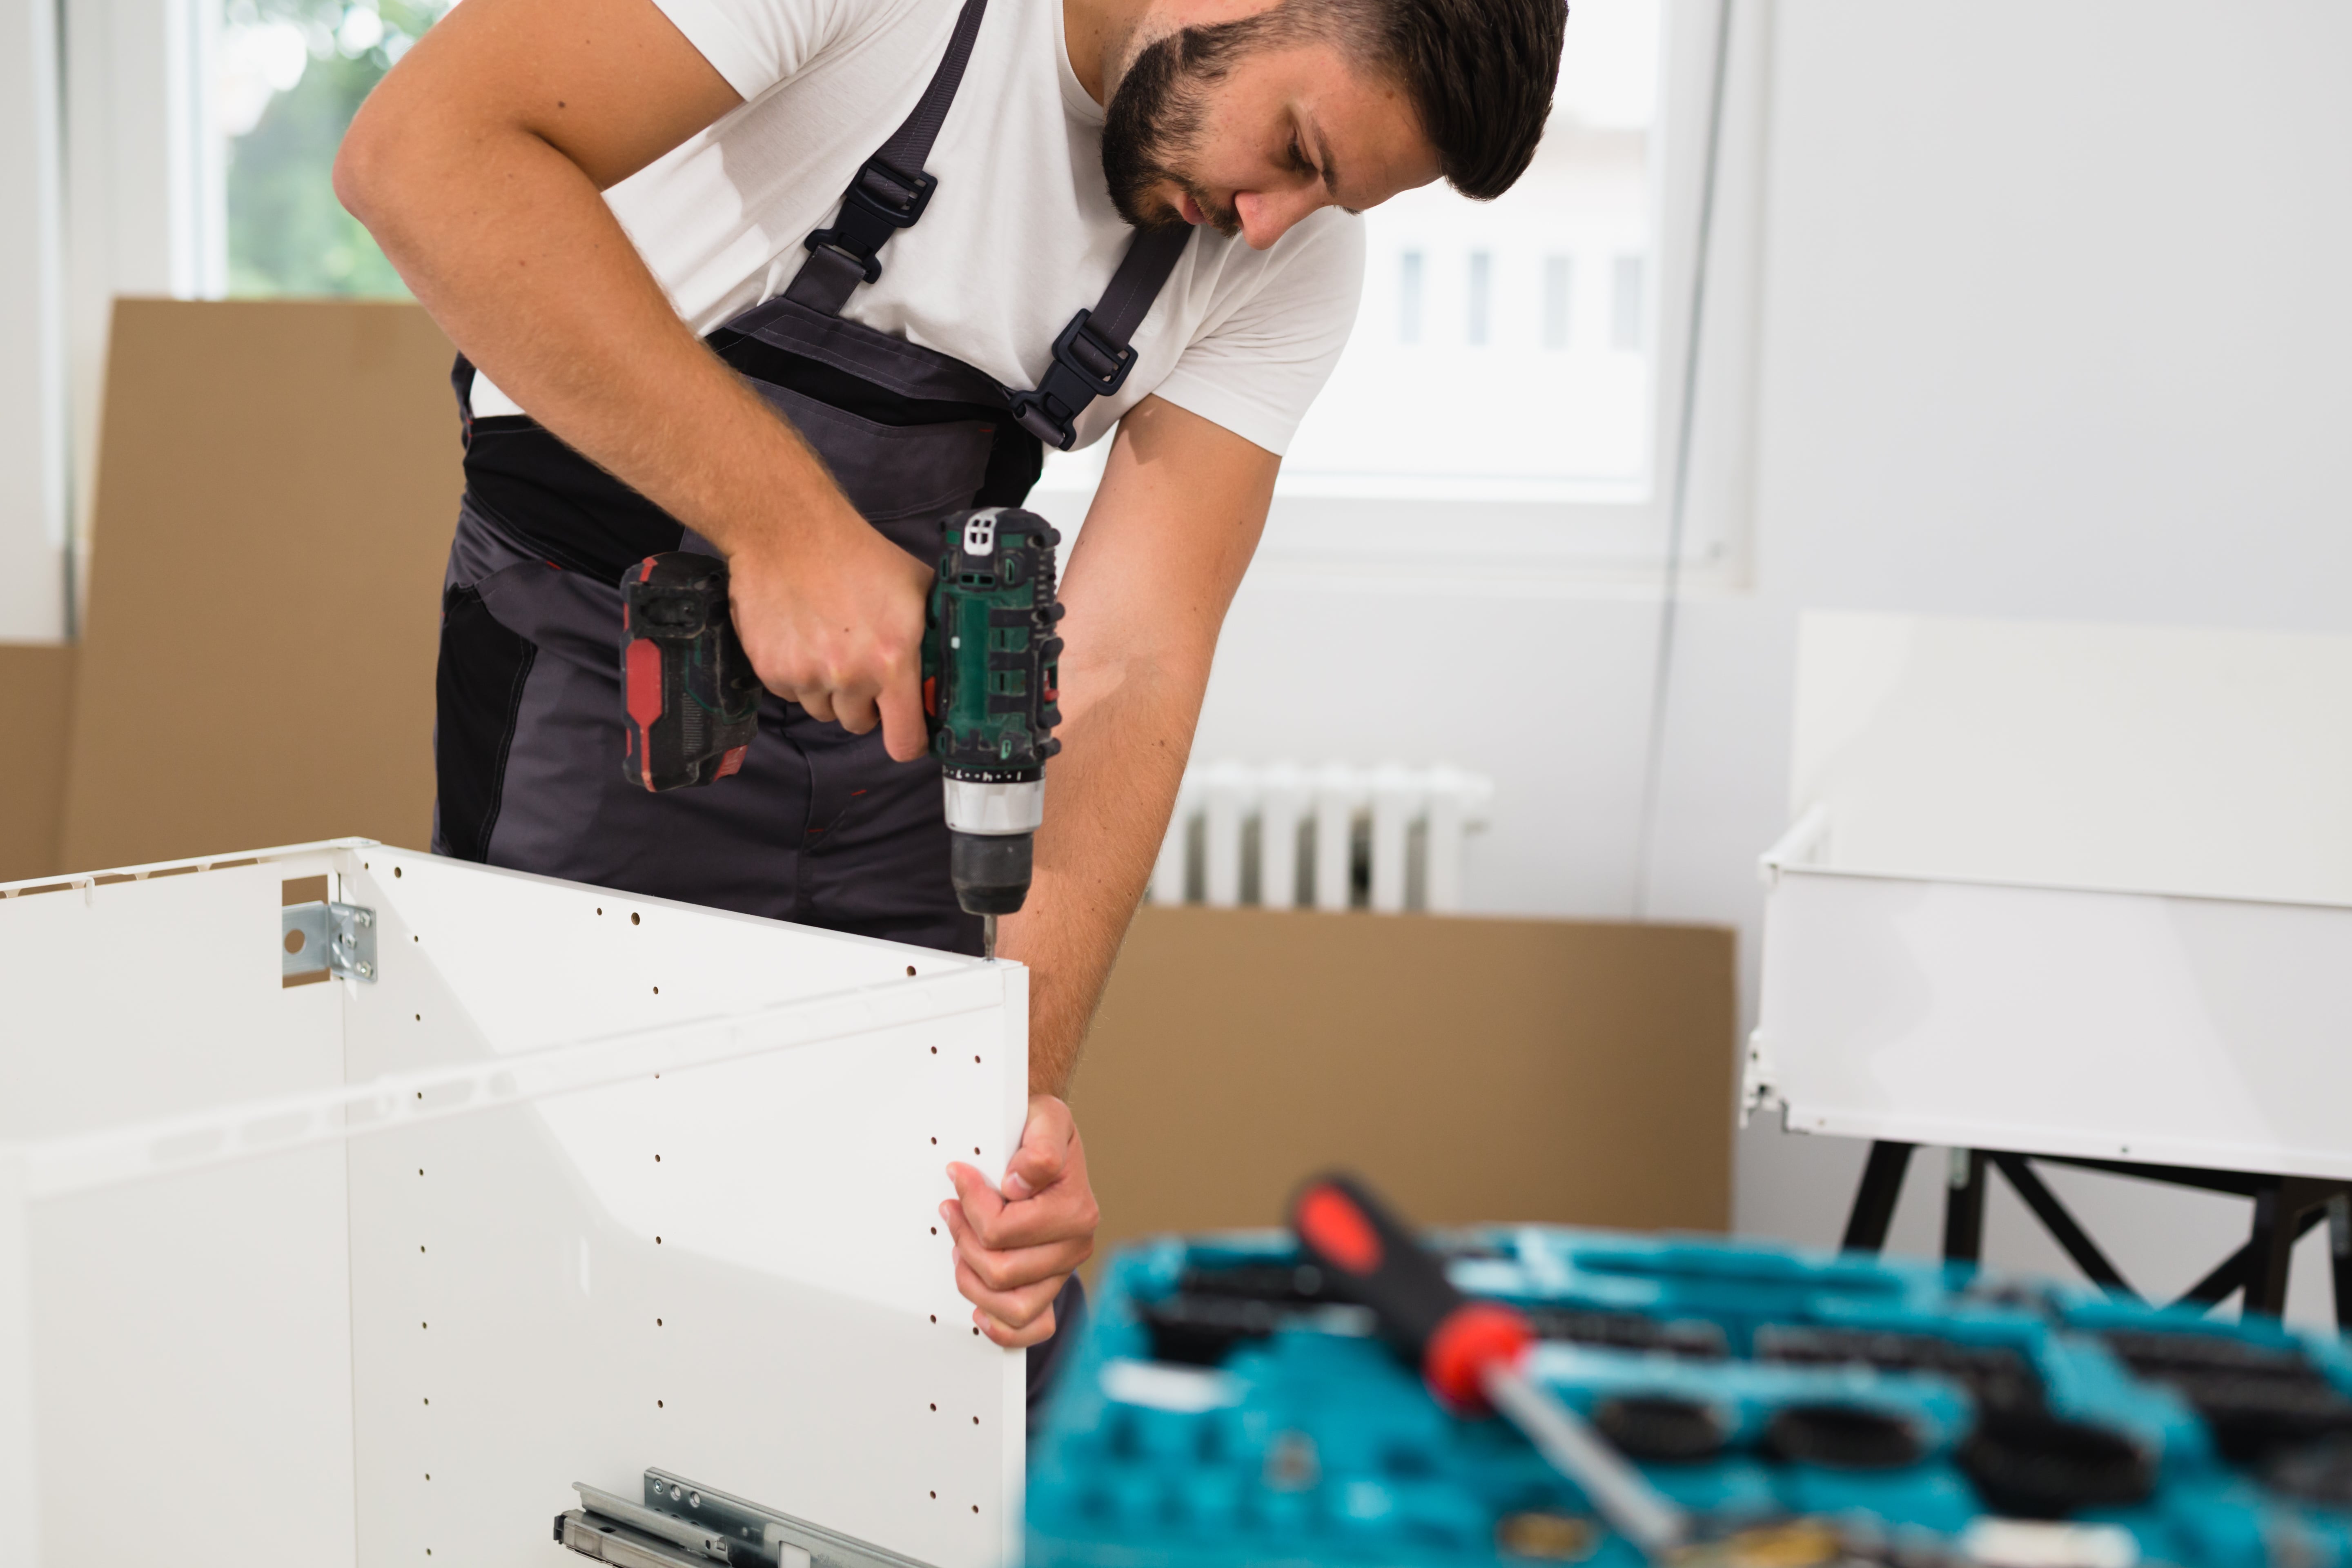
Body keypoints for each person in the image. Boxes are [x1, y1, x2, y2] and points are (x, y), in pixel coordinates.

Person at [335, 0, 1561, 1404]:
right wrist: (783, 527)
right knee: (563, 1287)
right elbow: (420, 151)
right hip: (603, 692)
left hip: (909, 753)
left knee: (952, 1336)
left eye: (1328, 197)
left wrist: (1016, 1114)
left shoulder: (1279, 257)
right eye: (1294, 148)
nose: (1272, 221)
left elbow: (1128, 666)